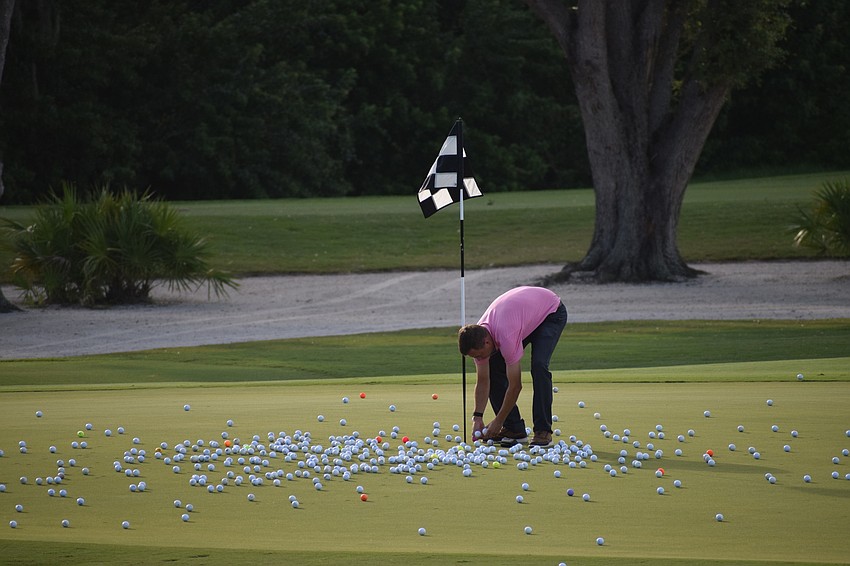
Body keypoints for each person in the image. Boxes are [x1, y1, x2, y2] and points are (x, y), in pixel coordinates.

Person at [458, 286, 567, 448]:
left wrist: (498, 421)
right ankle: (514, 429)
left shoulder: (505, 336)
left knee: (539, 366)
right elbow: (483, 380)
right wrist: (477, 417)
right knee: (493, 366)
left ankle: (543, 430)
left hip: (550, 312)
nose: (479, 359)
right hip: (523, 315)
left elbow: (515, 386)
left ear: (487, 342)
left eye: (479, 355)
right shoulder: (479, 336)